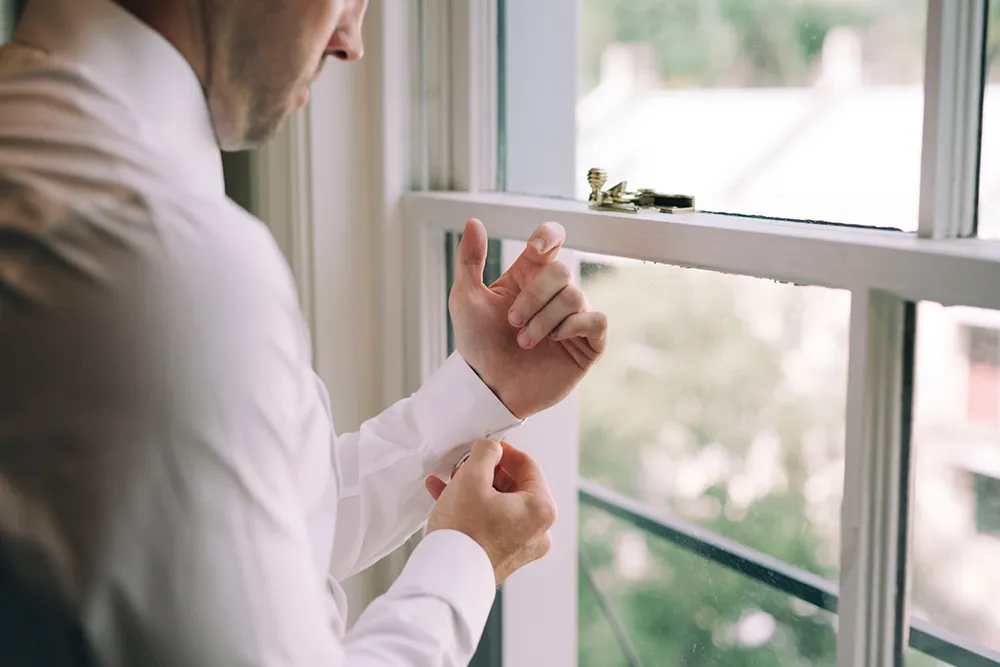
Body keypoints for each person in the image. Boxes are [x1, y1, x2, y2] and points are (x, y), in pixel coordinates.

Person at [0, 0, 609, 665]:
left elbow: (271, 523)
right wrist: (466, 564)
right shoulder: (155, 246)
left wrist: (483, 386)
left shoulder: (45, 132)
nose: (353, 41)